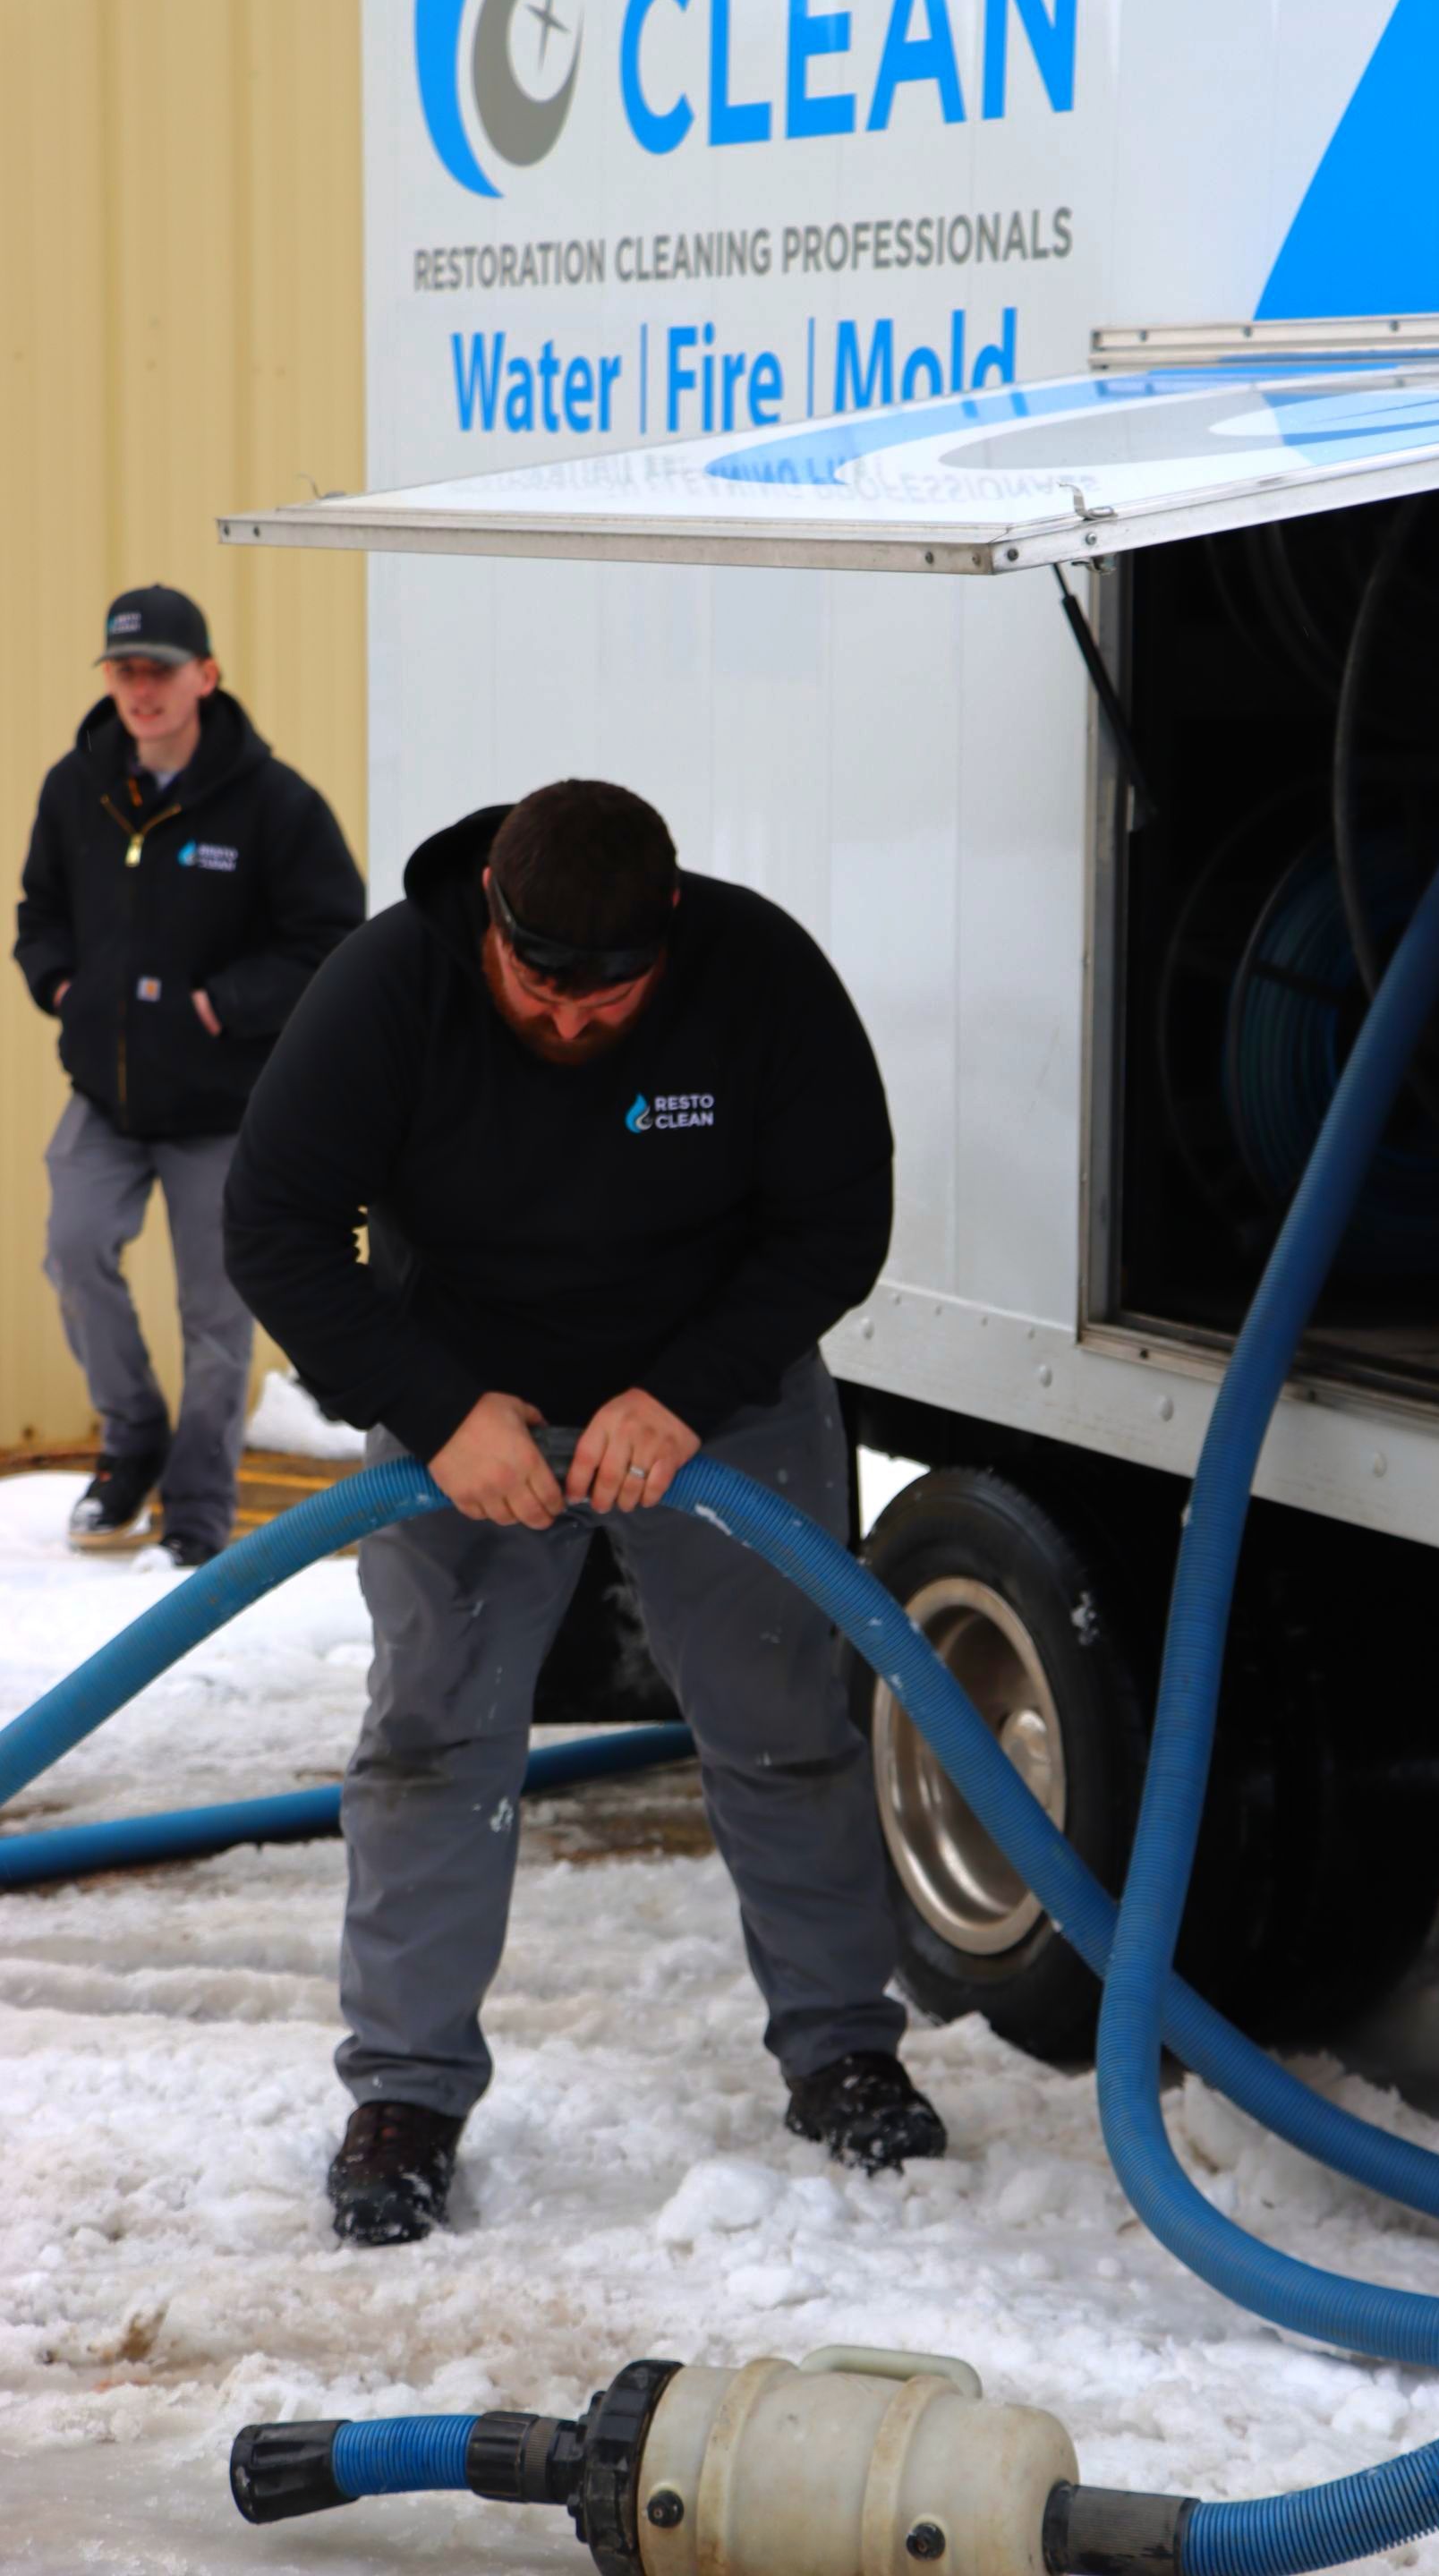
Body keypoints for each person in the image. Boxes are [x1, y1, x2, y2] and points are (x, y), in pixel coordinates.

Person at [222, 778, 945, 2246]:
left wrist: (683, 1392)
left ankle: (843, 2049)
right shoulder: (390, 987)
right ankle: (408, 2095)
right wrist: (438, 1413)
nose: (563, 1022)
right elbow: (273, 1226)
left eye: (603, 997)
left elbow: (836, 1221)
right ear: (490, 903)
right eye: (537, 984)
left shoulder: (760, 977)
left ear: (666, 932)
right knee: (433, 1738)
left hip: (716, 1406)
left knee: (784, 1727)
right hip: (468, 1402)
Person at [13, 585, 364, 1565]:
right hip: (107, 1099)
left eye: (160, 670)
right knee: (74, 1256)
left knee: (217, 1314)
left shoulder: (275, 804)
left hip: (222, 1109)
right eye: (125, 671)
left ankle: (199, 1510)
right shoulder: (73, 789)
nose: (141, 689)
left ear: (204, 676)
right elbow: (39, 911)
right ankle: (132, 1446)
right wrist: (61, 984)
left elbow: (332, 939)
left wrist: (224, 1005)